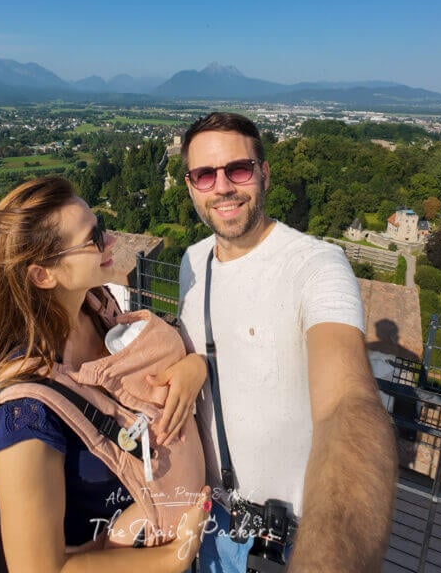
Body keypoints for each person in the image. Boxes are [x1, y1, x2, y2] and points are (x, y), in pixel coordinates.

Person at [176, 112, 398, 573]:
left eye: (238, 169)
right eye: (204, 175)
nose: (223, 187)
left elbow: (347, 403)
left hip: (293, 536)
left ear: (264, 173)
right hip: (209, 518)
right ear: (190, 185)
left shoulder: (316, 266)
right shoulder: (192, 263)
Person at [0, 176, 211, 572]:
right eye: (93, 237)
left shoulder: (97, 310)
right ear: (43, 275)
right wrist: (173, 558)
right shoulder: (24, 409)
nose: (111, 242)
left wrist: (193, 368)